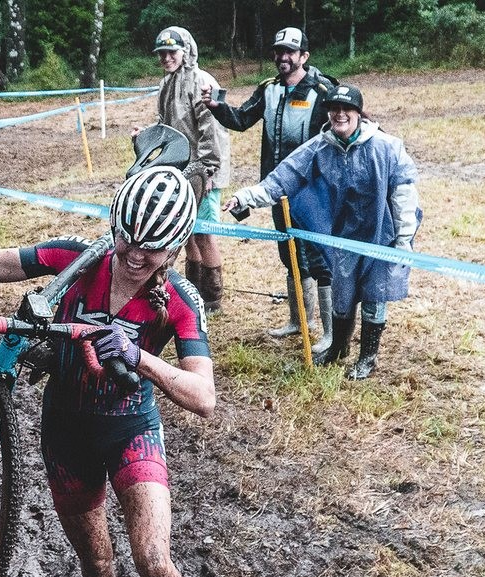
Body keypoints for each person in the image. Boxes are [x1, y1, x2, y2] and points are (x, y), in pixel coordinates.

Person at [0, 153, 225, 577]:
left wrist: (141, 357)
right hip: (67, 431)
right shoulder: (78, 259)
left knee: (152, 558)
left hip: (130, 429)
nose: (129, 256)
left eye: (147, 251)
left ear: (173, 252)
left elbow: (203, 397)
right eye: (124, 238)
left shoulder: (180, 301)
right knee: (95, 557)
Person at [223, 84, 419, 380]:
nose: (340, 114)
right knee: (343, 294)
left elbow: (404, 193)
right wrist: (245, 197)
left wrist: (403, 240)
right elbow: (283, 177)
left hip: (382, 235)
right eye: (334, 108)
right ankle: (338, 348)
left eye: (347, 109)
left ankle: (368, 357)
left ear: (358, 113)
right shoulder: (320, 147)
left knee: (374, 293)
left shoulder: (386, 147)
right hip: (342, 237)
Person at [203, 27, 336, 348]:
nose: (283, 57)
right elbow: (241, 119)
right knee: (290, 256)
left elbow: (343, 130)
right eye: (279, 51)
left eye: (290, 52)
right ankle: (297, 320)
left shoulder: (322, 89)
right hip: (277, 190)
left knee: (320, 261)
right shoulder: (268, 89)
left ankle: (331, 333)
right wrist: (216, 106)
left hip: (314, 192)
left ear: (304, 56)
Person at [144, 26, 231, 314]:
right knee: (187, 231)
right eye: (162, 53)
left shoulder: (201, 81)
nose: (166, 58)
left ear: (186, 51)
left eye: (172, 52)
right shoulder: (165, 83)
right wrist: (144, 136)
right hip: (180, 168)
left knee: (204, 232)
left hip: (206, 169)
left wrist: (207, 169)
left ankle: (212, 296)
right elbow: (165, 124)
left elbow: (211, 130)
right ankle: (191, 289)